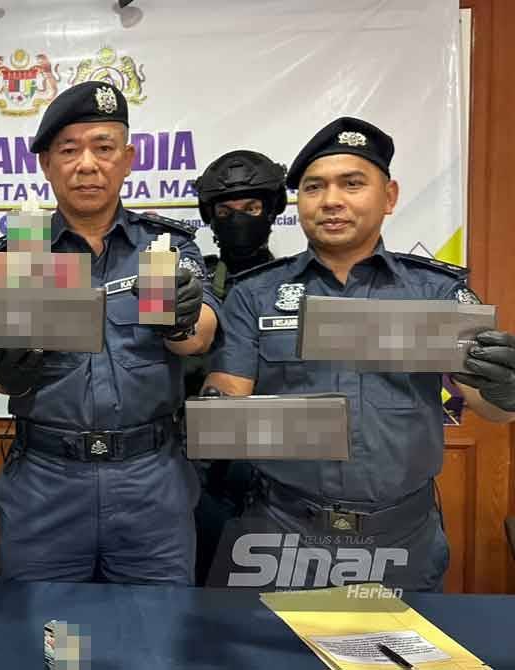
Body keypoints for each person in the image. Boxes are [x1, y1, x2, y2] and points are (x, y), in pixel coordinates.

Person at [204, 117, 515, 591]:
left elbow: (488, 407)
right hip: (282, 530)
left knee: (392, 663)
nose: (331, 200)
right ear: (299, 202)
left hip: (401, 536)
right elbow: (227, 402)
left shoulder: (439, 292)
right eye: (314, 187)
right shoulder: (256, 295)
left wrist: (505, 389)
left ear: (388, 197)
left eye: (352, 184)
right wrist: (207, 416)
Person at [0, 81, 221, 584]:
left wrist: (183, 314)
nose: (87, 164)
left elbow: (197, 335)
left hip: (150, 483)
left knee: (154, 641)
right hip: (47, 481)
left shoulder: (163, 246)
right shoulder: (13, 256)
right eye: (69, 150)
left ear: (129, 158)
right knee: (44, 639)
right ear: (46, 164)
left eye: (103, 147)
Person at [188, 150, 287, 585]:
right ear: (209, 217)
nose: (238, 219)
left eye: (251, 208)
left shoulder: (298, 285)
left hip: (279, 462)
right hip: (201, 461)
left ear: (272, 211)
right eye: (225, 211)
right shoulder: (191, 284)